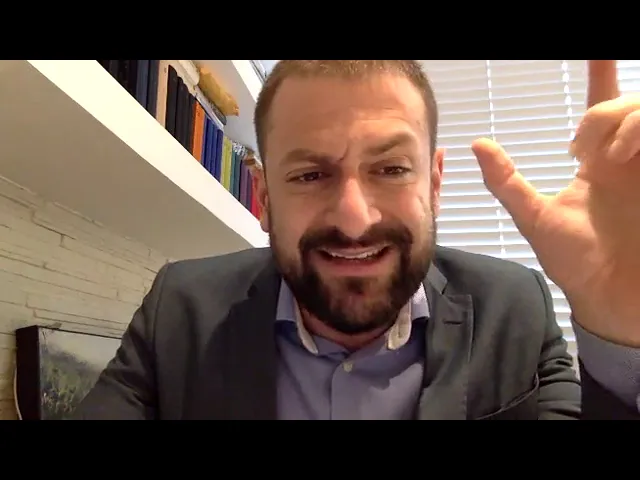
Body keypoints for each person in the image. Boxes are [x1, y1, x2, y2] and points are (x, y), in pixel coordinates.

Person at [74, 60, 640, 420]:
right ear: (265, 198)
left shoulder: (514, 309)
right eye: (310, 174)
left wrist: (621, 334)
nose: (353, 219)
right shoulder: (179, 310)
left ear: (434, 184)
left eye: (390, 169)